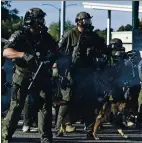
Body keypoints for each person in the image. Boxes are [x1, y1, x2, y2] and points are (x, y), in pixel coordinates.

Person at [1, 8, 58, 143]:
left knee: (45, 107)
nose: (41, 22)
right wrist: (22, 54)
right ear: (30, 21)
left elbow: (56, 49)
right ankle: (4, 137)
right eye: (39, 19)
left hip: (42, 74)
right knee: (16, 107)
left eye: (42, 19)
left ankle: (46, 138)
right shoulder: (20, 34)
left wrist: (52, 57)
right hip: (23, 74)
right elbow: (6, 52)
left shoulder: (45, 36)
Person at [57, 11, 106, 139]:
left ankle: (90, 131)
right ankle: (59, 128)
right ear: (78, 21)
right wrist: (61, 71)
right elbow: (58, 51)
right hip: (72, 72)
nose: (87, 23)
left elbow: (102, 49)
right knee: (67, 101)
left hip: (87, 72)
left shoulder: (93, 36)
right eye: (85, 20)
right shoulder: (70, 34)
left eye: (89, 20)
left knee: (90, 102)